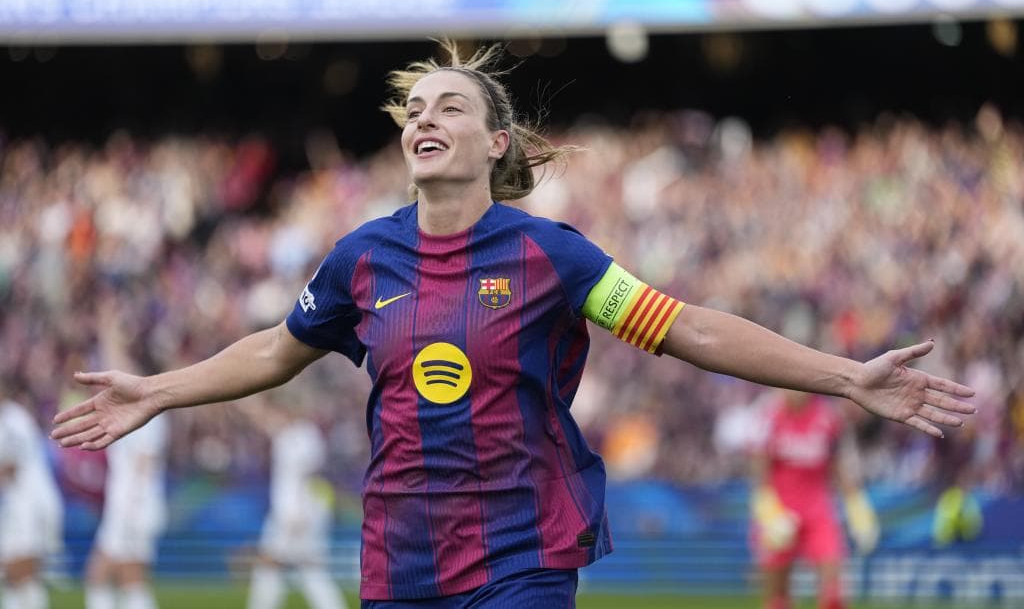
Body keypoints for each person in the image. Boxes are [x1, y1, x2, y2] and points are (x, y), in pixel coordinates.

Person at [52, 40, 976, 608]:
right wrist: (156, 392)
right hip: (398, 558)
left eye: (450, 106)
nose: (425, 117)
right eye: (414, 109)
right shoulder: (360, 259)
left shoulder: (551, 257)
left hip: (521, 557)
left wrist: (847, 376)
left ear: (496, 143)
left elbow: (686, 327)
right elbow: (275, 349)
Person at [749, 389, 879, 609]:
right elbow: (760, 475)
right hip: (779, 513)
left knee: (833, 592)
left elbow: (839, 469)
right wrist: (770, 514)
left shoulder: (828, 418)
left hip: (819, 512)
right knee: (777, 598)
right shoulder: (769, 417)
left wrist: (859, 511)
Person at [84, 299, 170, 609]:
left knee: (107, 576)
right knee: (123, 580)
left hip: (133, 503)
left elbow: (144, 462)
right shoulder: (154, 407)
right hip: (134, 503)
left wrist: (108, 328)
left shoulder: (148, 410)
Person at [237, 396, 347, 609]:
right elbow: (262, 417)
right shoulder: (297, 434)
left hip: (294, 513)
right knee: (304, 570)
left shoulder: (301, 436)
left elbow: (304, 478)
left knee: (281, 567)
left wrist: (297, 512)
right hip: (297, 511)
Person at [0, 386, 63, 609]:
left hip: (32, 504)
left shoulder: (12, 420)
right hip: (20, 505)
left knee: (16, 569)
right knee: (19, 578)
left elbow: (10, 466)